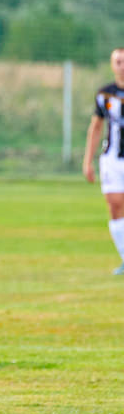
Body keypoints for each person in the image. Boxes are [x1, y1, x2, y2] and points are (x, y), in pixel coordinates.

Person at [84, 47, 124, 275]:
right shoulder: (105, 94)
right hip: (112, 158)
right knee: (115, 204)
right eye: (117, 61)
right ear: (112, 64)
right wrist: (87, 161)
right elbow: (96, 127)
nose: (121, 65)